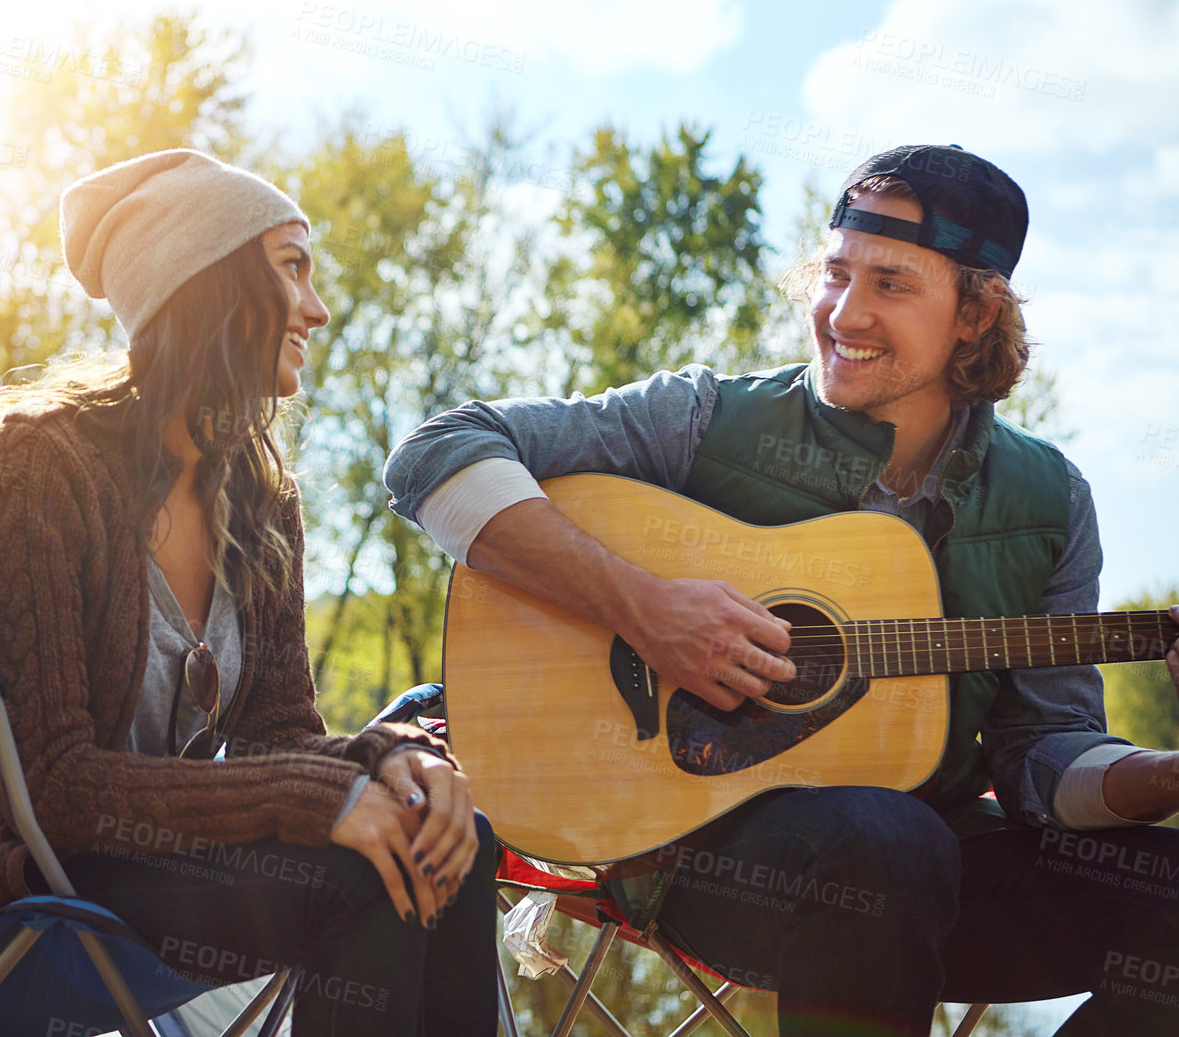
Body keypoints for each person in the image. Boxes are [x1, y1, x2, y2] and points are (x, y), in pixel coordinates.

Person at [383, 144, 1179, 1036]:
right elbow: (435, 454)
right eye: (836, 275)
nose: (846, 313)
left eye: (892, 285)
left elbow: (1046, 758)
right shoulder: (707, 423)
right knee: (885, 843)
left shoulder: (1049, 501)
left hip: (939, 876)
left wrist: (1164, 777)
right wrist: (644, 609)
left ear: (975, 313)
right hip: (706, 862)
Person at [0, 148, 496, 1036]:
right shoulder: (32, 469)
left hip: (161, 874)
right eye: (292, 268)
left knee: (444, 846)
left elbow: (282, 738)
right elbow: (53, 791)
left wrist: (387, 760)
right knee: (361, 873)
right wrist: (314, 798)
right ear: (209, 281)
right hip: (12, 889)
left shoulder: (261, 499)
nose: (317, 308)